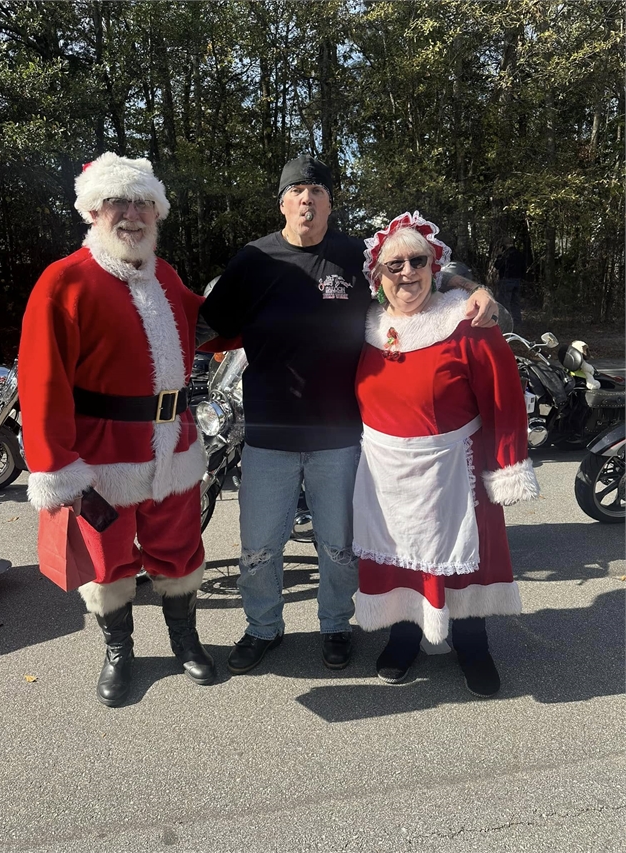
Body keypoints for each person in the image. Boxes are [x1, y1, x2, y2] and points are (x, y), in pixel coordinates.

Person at [197, 155, 499, 675]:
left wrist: (476, 289)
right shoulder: (253, 259)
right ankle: (263, 627)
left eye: (317, 191)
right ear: (282, 203)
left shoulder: (355, 256)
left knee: (338, 546)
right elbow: (203, 321)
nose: (306, 200)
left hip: (339, 435)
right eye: (296, 191)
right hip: (268, 433)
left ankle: (335, 624)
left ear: (330, 203)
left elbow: (418, 267)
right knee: (259, 547)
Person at [18, 153, 219, 707]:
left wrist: (266, 299)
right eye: (117, 202)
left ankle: (185, 640)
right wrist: (55, 466)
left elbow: (203, 320)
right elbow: (41, 381)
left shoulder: (165, 274)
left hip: (174, 446)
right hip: (102, 457)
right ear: (92, 210)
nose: (132, 214)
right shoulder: (64, 281)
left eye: (143, 203)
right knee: (107, 562)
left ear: (157, 212)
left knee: (180, 549)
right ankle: (119, 651)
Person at [353, 212, 540, 697]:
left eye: (418, 261)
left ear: (434, 266)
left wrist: (507, 464)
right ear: (377, 275)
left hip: (456, 467)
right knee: (398, 555)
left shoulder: (467, 323)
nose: (407, 273)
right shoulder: (366, 324)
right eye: (394, 265)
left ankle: (473, 644)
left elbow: (504, 397)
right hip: (385, 473)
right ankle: (403, 635)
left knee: (465, 559)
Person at [494, 237, 525, 329]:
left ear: (505, 244)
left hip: (506, 280)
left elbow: (498, 266)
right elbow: (523, 267)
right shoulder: (519, 253)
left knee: (504, 303)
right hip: (517, 280)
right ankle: (517, 322)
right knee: (515, 302)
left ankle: (506, 323)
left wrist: (499, 255)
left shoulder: (505, 255)